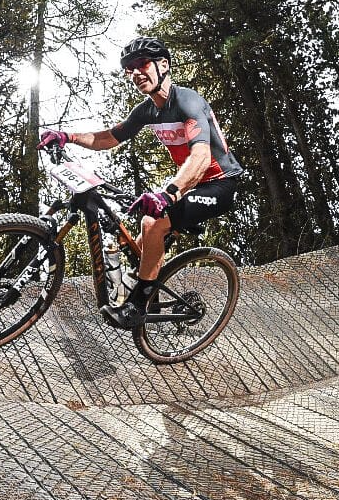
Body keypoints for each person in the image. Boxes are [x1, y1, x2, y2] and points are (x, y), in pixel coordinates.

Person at [37, 36, 243, 328]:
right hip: (191, 185)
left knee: (151, 222)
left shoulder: (187, 101)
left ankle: (136, 307)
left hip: (220, 184)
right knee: (138, 243)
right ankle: (149, 296)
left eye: (141, 64)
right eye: (129, 69)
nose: (135, 73)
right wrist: (67, 136)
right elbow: (108, 137)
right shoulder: (147, 110)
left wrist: (168, 194)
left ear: (164, 65)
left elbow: (200, 158)